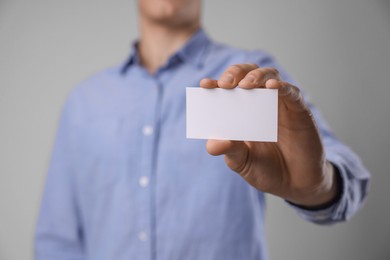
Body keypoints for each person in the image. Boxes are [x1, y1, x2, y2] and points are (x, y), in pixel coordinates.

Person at [35, 0, 370, 259]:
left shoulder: (254, 79)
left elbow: (348, 177)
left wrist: (315, 186)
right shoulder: (84, 102)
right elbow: (57, 242)